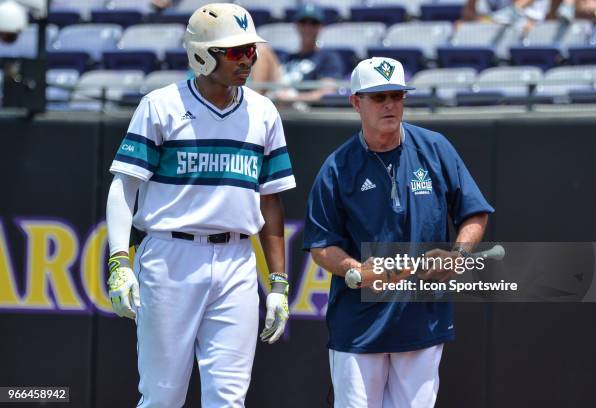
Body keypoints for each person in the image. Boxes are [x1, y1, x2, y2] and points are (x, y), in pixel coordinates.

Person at [105, 3, 295, 407]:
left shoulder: (264, 111)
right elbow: (124, 187)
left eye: (250, 50)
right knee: (162, 396)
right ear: (201, 54)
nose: (248, 59)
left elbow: (271, 200)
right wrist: (119, 262)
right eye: (235, 51)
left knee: (229, 399)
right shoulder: (160, 105)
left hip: (238, 260)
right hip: (170, 257)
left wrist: (278, 282)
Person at [303, 57, 494, 408]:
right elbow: (321, 245)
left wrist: (458, 256)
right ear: (356, 102)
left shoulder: (435, 148)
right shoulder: (337, 166)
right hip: (359, 323)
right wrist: (355, 271)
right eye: (378, 97)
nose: (390, 104)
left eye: (397, 95)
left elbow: (474, 212)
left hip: (421, 317)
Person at [276, 3, 344, 103]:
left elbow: (326, 92)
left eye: (314, 23)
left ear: (321, 27)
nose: (308, 27)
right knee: (261, 49)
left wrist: (291, 98)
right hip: (278, 106)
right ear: (296, 26)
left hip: (306, 114)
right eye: (303, 22)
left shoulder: (328, 58)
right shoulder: (286, 57)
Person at [460, 0, 552, 32]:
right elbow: (468, 13)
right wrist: (486, 21)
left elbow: (515, 10)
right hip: (491, 34)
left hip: (523, 35)